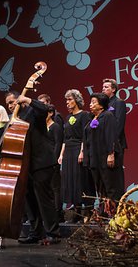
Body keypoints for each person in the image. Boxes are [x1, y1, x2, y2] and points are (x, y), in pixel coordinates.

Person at [5, 91, 61, 244]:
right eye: (8, 104)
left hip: (42, 162)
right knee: (30, 201)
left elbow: (45, 109)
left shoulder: (32, 111)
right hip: (26, 165)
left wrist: (28, 99)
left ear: (19, 100)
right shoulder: (15, 119)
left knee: (44, 200)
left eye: (12, 102)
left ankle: (53, 233)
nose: (10, 106)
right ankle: (36, 232)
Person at [83, 93, 123, 213]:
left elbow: (111, 135)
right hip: (94, 158)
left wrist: (111, 153)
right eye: (90, 102)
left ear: (101, 105)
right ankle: (104, 213)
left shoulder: (107, 115)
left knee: (110, 186)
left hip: (105, 157)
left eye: (94, 102)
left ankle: (115, 213)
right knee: (100, 187)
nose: (91, 104)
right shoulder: (92, 118)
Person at [59, 89, 93, 222]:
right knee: (70, 181)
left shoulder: (85, 115)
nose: (67, 103)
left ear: (77, 100)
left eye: (70, 99)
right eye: (66, 100)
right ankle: (76, 212)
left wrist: (82, 152)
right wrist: (61, 155)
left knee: (81, 180)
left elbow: (86, 136)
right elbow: (65, 138)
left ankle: (88, 211)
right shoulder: (68, 118)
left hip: (79, 149)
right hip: (68, 151)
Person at [102, 78, 128, 193]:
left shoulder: (119, 102)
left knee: (116, 175)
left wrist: (112, 144)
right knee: (107, 177)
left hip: (116, 144)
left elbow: (119, 125)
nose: (103, 89)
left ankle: (119, 203)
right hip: (103, 146)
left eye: (106, 87)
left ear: (113, 89)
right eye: (103, 87)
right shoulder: (103, 106)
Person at [46, 104, 64, 223]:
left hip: (53, 160)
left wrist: (54, 159)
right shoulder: (43, 127)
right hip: (44, 161)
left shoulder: (56, 126)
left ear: (51, 113)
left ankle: (58, 214)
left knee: (55, 187)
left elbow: (58, 143)